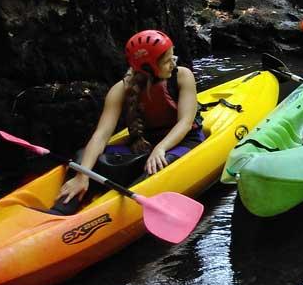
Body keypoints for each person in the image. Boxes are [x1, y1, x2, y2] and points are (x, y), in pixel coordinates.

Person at [52, 30, 203, 214]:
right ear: (149, 68)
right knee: (82, 157)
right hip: (144, 144)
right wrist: (82, 174)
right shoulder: (120, 90)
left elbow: (185, 123)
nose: (174, 63)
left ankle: (112, 210)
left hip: (183, 140)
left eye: (173, 57)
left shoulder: (182, 76)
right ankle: (60, 211)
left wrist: (160, 149)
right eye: (167, 60)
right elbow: (101, 136)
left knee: (158, 165)